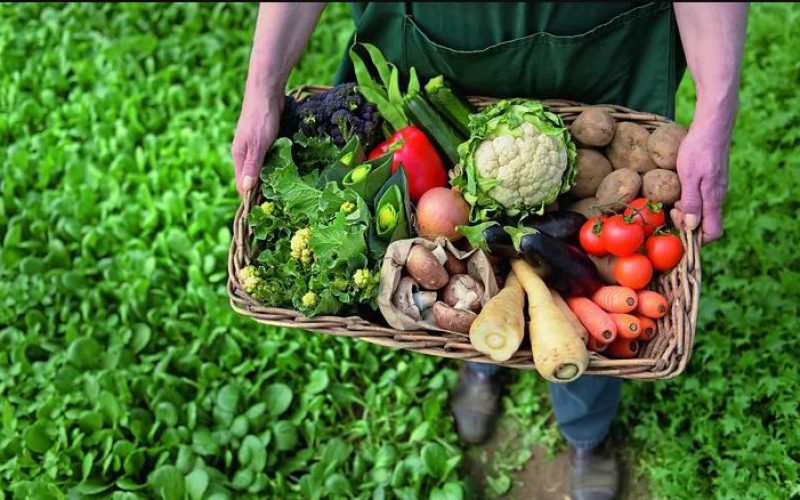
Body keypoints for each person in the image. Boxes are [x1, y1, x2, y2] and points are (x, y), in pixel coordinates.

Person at [232, 3, 749, 498]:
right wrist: (262, 86)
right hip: (431, 47)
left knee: (583, 294)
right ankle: (483, 357)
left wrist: (718, 109)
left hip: (598, 54)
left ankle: (586, 431)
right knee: (481, 280)